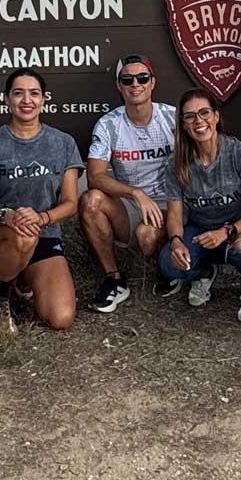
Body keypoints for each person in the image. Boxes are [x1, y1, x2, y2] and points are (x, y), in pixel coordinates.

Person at [0, 68, 84, 332]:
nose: (26, 100)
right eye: (18, 93)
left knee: (61, 318)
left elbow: (70, 203)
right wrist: (6, 216)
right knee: (23, 235)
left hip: (44, 233)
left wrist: (42, 218)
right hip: (0, 234)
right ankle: (0, 297)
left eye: (34, 93)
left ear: (43, 99)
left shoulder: (63, 143)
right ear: (7, 99)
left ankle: (21, 280)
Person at [160, 88, 241, 322]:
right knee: (169, 264)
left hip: (237, 227)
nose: (198, 121)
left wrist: (226, 231)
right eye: (190, 116)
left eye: (204, 113)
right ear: (183, 124)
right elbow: (175, 216)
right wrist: (176, 241)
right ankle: (205, 272)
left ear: (216, 116)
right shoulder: (176, 163)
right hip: (200, 229)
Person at [79, 54, 178, 313]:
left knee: (147, 236)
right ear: (119, 86)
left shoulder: (173, 118)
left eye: (142, 78)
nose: (135, 84)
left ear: (152, 82)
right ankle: (114, 279)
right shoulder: (109, 124)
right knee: (90, 200)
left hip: (171, 202)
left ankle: (168, 266)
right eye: (127, 79)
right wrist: (135, 193)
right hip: (132, 205)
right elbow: (95, 176)